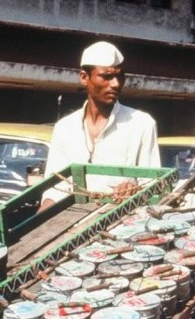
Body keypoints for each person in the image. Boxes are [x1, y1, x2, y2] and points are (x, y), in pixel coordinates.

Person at [41, 40, 160, 210]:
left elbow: (153, 184)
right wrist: (42, 215)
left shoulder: (141, 123)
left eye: (119, 76)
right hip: (72, 223)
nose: (115, 84)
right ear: (84, 77)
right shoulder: (64, 128)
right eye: (106, 77)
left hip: (121, 223)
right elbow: (55, 188)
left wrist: (135, 189)